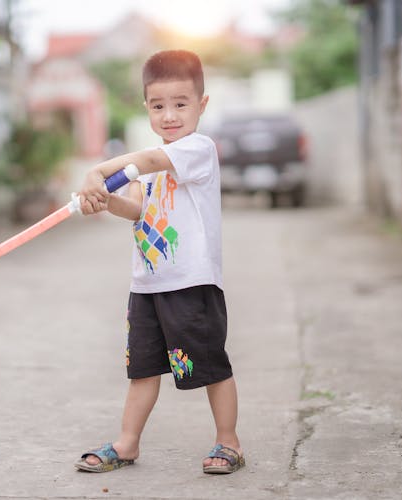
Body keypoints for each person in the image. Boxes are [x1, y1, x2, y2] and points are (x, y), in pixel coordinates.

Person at [74, 50, 244, 475]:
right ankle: (127, 443)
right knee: (143, 369)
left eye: (181, 104)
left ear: (202, 105)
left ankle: (229, 442)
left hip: (191, 282)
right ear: (146, 106)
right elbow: (137, 210)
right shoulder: (144, 168)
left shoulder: (197, 149)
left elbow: (149, 161)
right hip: (147, 285)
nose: (170, 115)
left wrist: (98, 170)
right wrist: (104, 199)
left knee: (210, 365)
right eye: (158, 106)